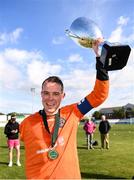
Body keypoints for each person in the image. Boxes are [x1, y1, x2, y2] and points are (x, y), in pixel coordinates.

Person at [20, 39, 109, 179]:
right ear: (41, 94)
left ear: (63, 96)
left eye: (56, 94)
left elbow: (99, 95)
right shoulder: (27, 123)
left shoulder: (73, 112)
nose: (50, 98)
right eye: (46, 93)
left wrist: (100, 59)